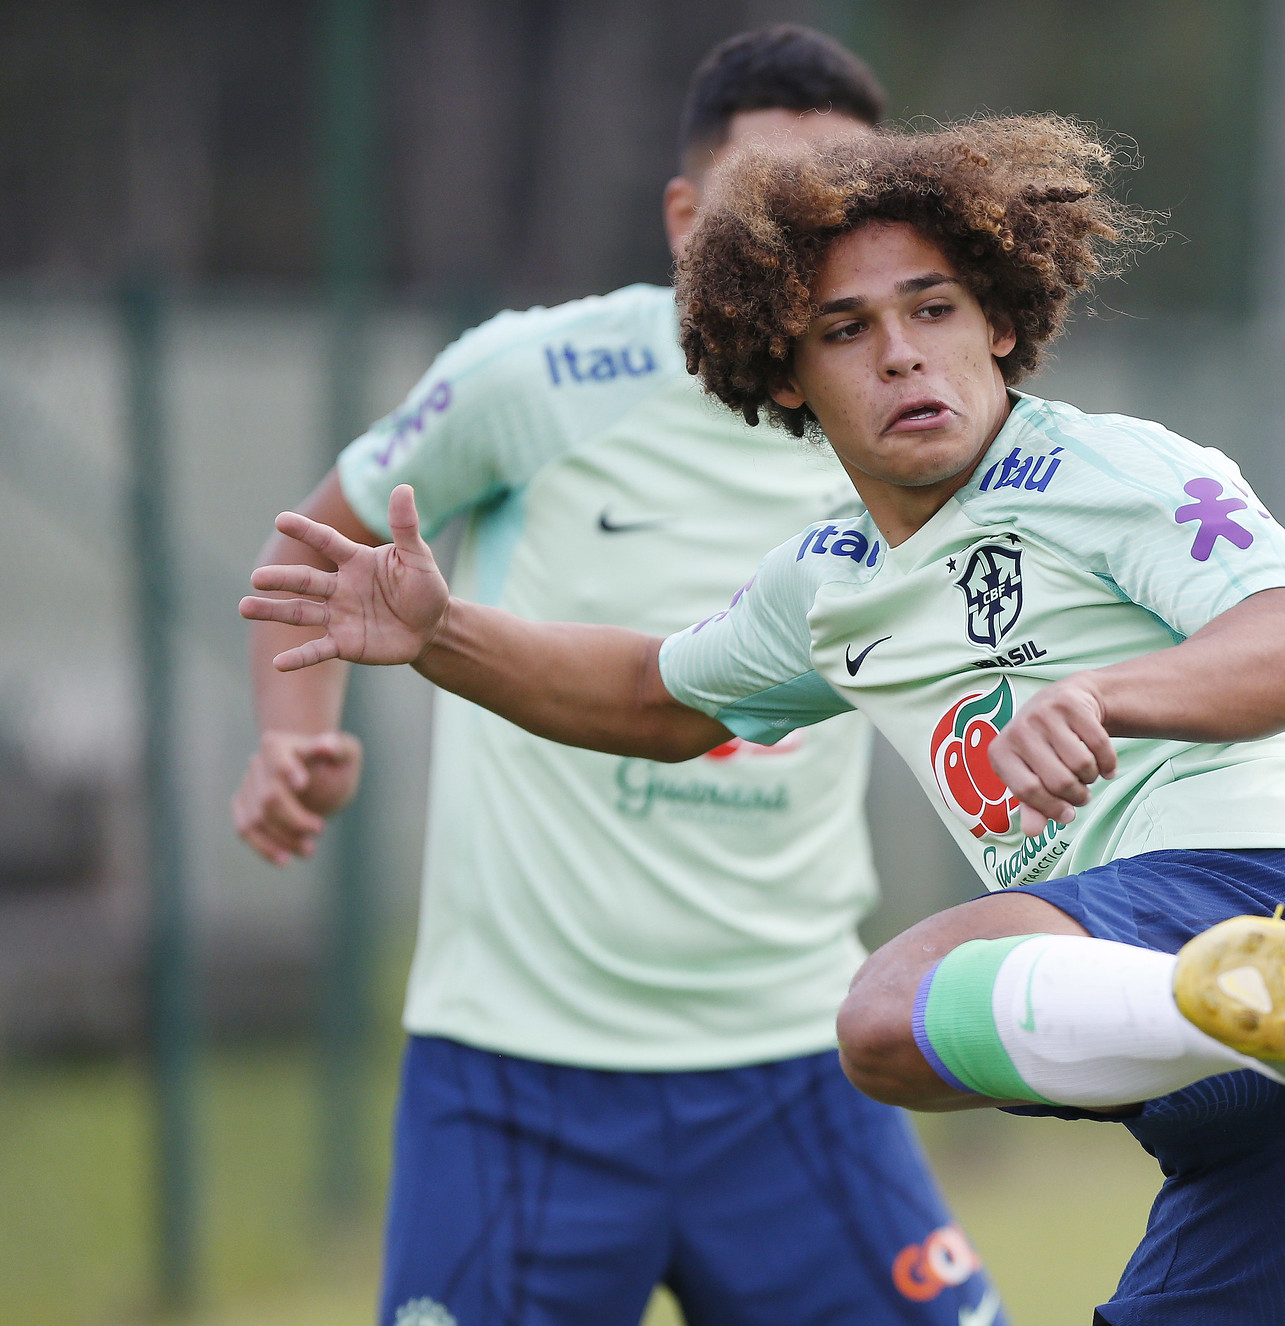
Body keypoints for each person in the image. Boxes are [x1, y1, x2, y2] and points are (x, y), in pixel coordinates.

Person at [242, 117, 1285, 1326]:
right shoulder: (825, 586)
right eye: (846, 329)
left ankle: (1239, 989)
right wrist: (441, 633)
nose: (900, 355)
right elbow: (652, 697)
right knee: (893, 1037)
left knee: (887, 1015)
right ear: (782, 374)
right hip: (1272, 1122)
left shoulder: (1113, 473)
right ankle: (1225, 1009)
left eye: (932, 310)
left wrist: (1104, 691)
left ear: (997, 319)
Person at [232, 27, 1005, 1326]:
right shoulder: (530, 376)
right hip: (520, 1072)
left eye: (847, 203)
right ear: (686, 216)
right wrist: (287, 735)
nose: (812, 238)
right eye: (774, 201)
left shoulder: (918, 416)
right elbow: (313, 557)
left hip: (793, 1056)